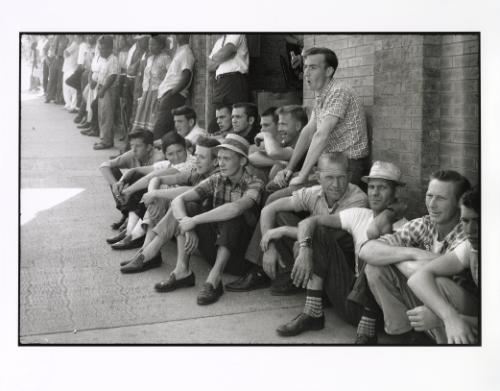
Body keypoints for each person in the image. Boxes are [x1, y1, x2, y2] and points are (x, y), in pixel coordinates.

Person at [275, 161, 406, 343]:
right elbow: (308, 223)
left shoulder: (406, 228)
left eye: (382, 188)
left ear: (396, 192)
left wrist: (387, 217)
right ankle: (313, 313)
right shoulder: (360, 214)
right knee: (319, 231)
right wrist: (305, 250)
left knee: (377, 250)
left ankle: (368, 328)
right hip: (351, 298)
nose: (375, 193)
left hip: (381, 311)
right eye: (372, 187)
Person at [225, 152, 367, 295]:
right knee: (280, 214)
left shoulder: (358, 199)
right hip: (312, 244)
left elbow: (326, 236)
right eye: (329, 178)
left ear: (349, 176)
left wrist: (284, 230)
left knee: (305, 239)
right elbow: (269, 209)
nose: (336, 184)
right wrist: (269, 248)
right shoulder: (314, 193)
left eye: (341, 177)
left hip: (339, 258)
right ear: (318, 178)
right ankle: (272, 272)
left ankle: (302, 281)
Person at [359, 170, 472, 344]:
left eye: (441, 198)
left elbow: (430, 274)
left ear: (459, 203)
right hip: (422, 303)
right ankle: (404, 336)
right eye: (429, 196)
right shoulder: (424, 224)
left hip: (459, 312)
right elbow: (367, 250)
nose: (432, 204)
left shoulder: (466, 232)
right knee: (375, 266)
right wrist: (413, 253)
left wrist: (396, 258)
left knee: (436, 281)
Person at [161, 134, 264, 305]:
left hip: (240, 256)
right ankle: (182, 271)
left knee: (233, 217)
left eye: (227, 159)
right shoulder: (217, 179)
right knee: (189, 207)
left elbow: (235, 208)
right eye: (220, 158)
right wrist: (188, 223)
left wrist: (195, 221)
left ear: (243, 162)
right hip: (215, 248)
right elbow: (178, 200)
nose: (221, 163)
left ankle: (214, 281)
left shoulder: (254, 183)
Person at [274, 47, 369, 194]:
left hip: (346, 167)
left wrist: (302, 176)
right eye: (305, 67)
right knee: (273, 187)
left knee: (276, 199)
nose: (306, 73)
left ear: (328, 71)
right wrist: (290, 168)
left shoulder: (339, 91)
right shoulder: (321, 94)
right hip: (328, 163)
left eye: (313, 68)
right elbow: (308, 131)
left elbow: (321, 135)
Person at [119, 137, 221, 273]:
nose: (196, 160)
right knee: (161, 197)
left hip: (212, 243)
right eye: (196, 155)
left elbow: (191, 192)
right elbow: (157, 178)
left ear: (215, 161)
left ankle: (149, 253)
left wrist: (155, 194)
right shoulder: (197, 172)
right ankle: (146, 251)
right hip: (189, 234)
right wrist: (153, 195)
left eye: (202, 157)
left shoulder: (217, 177)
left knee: (180, 202)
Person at [406, 186, 480, 344]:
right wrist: (449, 317)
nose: (471, 230)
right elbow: (418, 278)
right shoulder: (470, 246)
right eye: (465, 221)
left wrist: (441, 319)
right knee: (437, 284)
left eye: (478, 221)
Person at [110, 132, 195, 250]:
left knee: (149, 188)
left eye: (179, 151)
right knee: (138, 178)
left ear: (186, 149)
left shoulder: (190, 163)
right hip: (167, 206)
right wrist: (121, 181)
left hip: (183, 207)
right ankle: (132, 232)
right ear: (165, 154)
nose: (176, 157)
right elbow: (136, 170)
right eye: (171, 154)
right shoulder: (168, 163)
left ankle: (136, 236)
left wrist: (128, 191)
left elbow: (153, 177)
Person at [99, 129, 165, 230]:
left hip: (152, 198)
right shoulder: (132, 154)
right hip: (132, 194)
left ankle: (135, 218)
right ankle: (127, 214)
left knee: (137, 175)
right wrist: (114, 184)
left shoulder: (158, 158)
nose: (134, 150)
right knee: (113, 170)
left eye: (138, 146)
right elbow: (104, 166)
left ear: (148, 147)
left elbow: (153, 181)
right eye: (131, 145)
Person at [251, 105, 308, 186]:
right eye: (279, 124)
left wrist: (266, 135)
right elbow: (252, 157)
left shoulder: (303, 143)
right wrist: (281, 162)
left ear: (297, 126)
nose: (279, 129)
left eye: (283, 124)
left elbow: (274, 153)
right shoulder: (286, 142)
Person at [153, 34, 195, 142]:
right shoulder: (179, 51)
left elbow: (187, 75)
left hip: (173, 97)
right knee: (164, 131)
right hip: (168, 96)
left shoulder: (186, 52)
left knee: (160, 130)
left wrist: (171, 94)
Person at [132, 35, 171, 132]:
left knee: (153, 118)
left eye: (153, 45)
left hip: (157, 93)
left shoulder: (166, 58)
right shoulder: (149, 59)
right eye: (149, 45)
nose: (150, 47)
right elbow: (145, 77)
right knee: (143, 117)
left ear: (161, 45)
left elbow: (170, 76)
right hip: (147, 93)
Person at [208, 34, 249, 109]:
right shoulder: (218, 41)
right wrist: (223, 57)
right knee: (219, 114)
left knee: (235, 113)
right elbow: (209, 66)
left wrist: (216, 59)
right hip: (220, 82)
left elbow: (226, 52)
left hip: (234, 80)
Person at [93, 35, 119, 150]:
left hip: (108, 90)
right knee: (102, 115)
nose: (100, 51)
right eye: (100, 48)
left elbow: (112, 76)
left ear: (110, 49)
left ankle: (106, 141)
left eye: (103, 48)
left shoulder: (113, 59)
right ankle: (106, 139)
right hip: (102, 88)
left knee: (106, 116)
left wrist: (103, 89)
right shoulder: (103, 59)